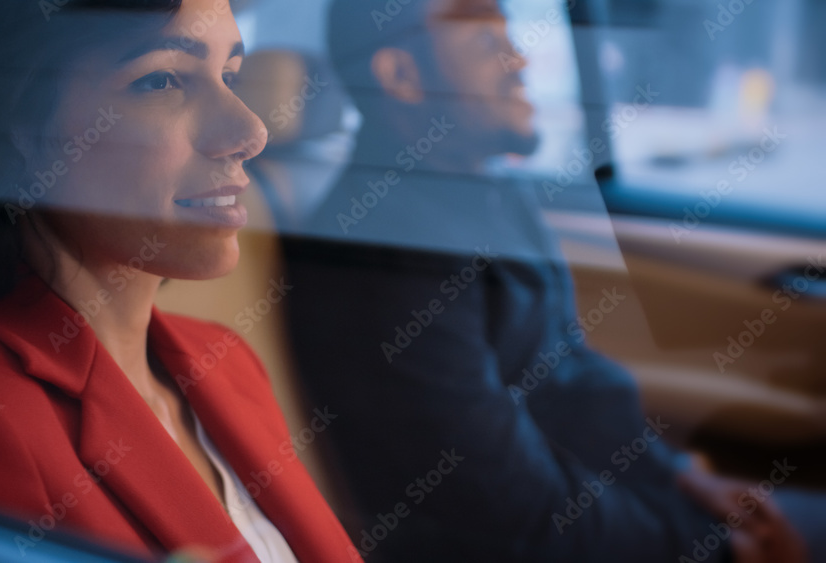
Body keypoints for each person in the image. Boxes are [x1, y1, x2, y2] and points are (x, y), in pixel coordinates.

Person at [280, 0, 812, 561]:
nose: (520, 61)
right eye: (486, 43)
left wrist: (679, 478)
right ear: (402, 77)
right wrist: (704, 546)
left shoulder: (488, 191)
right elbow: (508, 503)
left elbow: (570, 378)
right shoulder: (381, 254)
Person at [0, 1, 359, 561]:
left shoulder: (224, 358)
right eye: (162, 80)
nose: (251, 131)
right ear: (25, 128)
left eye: (231, 76)